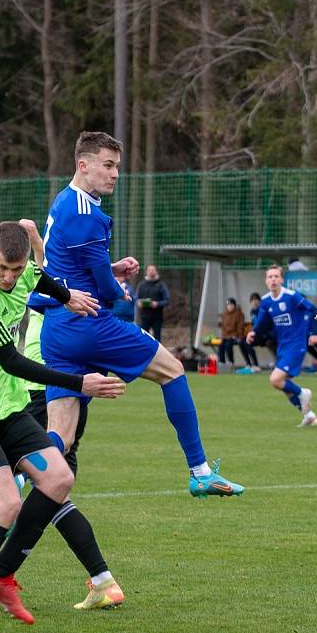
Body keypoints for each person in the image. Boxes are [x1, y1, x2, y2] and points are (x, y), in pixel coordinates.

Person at [0, 220, 124, 633]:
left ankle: (0, 576)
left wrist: (68, 295)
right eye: (3, 268)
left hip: (5, 405)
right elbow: (13, 361)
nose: (10, 278)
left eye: (15, 270)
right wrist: (79, 383)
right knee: (6, 503)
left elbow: (42, 276)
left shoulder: (24, 271)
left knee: (58, 479)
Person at [39, 132, 243, 498]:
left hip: (56, 328)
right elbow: (103, 290)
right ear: (82, 165)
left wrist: (111, 268)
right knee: (173, 371)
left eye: (117, 166)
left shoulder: (63, 201)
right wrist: (118, 288)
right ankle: (199, 471)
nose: (115, 174)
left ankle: (16, 479)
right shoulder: (89, 216)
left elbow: (68, 266)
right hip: (89, 325)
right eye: (107, 165)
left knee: (62, 436)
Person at [0, 302, 126, 612]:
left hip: (43, 391)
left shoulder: (56, 278)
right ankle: (102, 579)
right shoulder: (53, 282)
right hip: (41, 390)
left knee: (17, 485)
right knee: (47, 491)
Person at [246, 264, 317, 427]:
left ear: (282, 279)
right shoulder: (265, 301)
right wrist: (254, 332)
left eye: (276, 276)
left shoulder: (292, 296)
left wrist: (311, 333)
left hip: (297, 343)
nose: (273, 280)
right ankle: (308, 415)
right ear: (266, 281)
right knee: (284, 386)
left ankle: (303, 393)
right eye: (270, 277)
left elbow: (313, 310)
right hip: (283, 346)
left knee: (275, 379)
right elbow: (262, 322)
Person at [135, 264, 169, 341]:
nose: (151, 272)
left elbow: (167, 300)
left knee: (157, 339)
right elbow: (136, 298)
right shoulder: (141, 285)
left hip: (157, 317)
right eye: (149, 270)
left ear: (156, 271)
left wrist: (157, 304)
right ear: (146, 272)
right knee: (143, 338)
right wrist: (138, 302)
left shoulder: (161, 285)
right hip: (144, 317)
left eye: (153, 270)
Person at [218, 297, 252, 368]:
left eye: (231, 305)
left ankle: (231, 361)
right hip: (226, 336)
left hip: (235, 335)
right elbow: (223, 327)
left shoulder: (239, 314)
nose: (229, 306)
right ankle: (222, 362)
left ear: (234, 305)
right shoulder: (224, 314)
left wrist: (237, 336)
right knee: (221, 344)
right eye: (228, 305)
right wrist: (223, 336)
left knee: (228, 344)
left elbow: (240, 326)